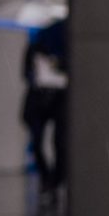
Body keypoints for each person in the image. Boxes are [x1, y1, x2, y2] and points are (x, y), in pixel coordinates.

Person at [23, 18, 70, 195]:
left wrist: (57, 67)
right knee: (37, 142)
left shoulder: (64, 50)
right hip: (39, 100)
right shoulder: (35, 48)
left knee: (60, 142)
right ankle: (47, 177)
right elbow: (26, 73)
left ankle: (57, 179)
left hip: (58, 100)